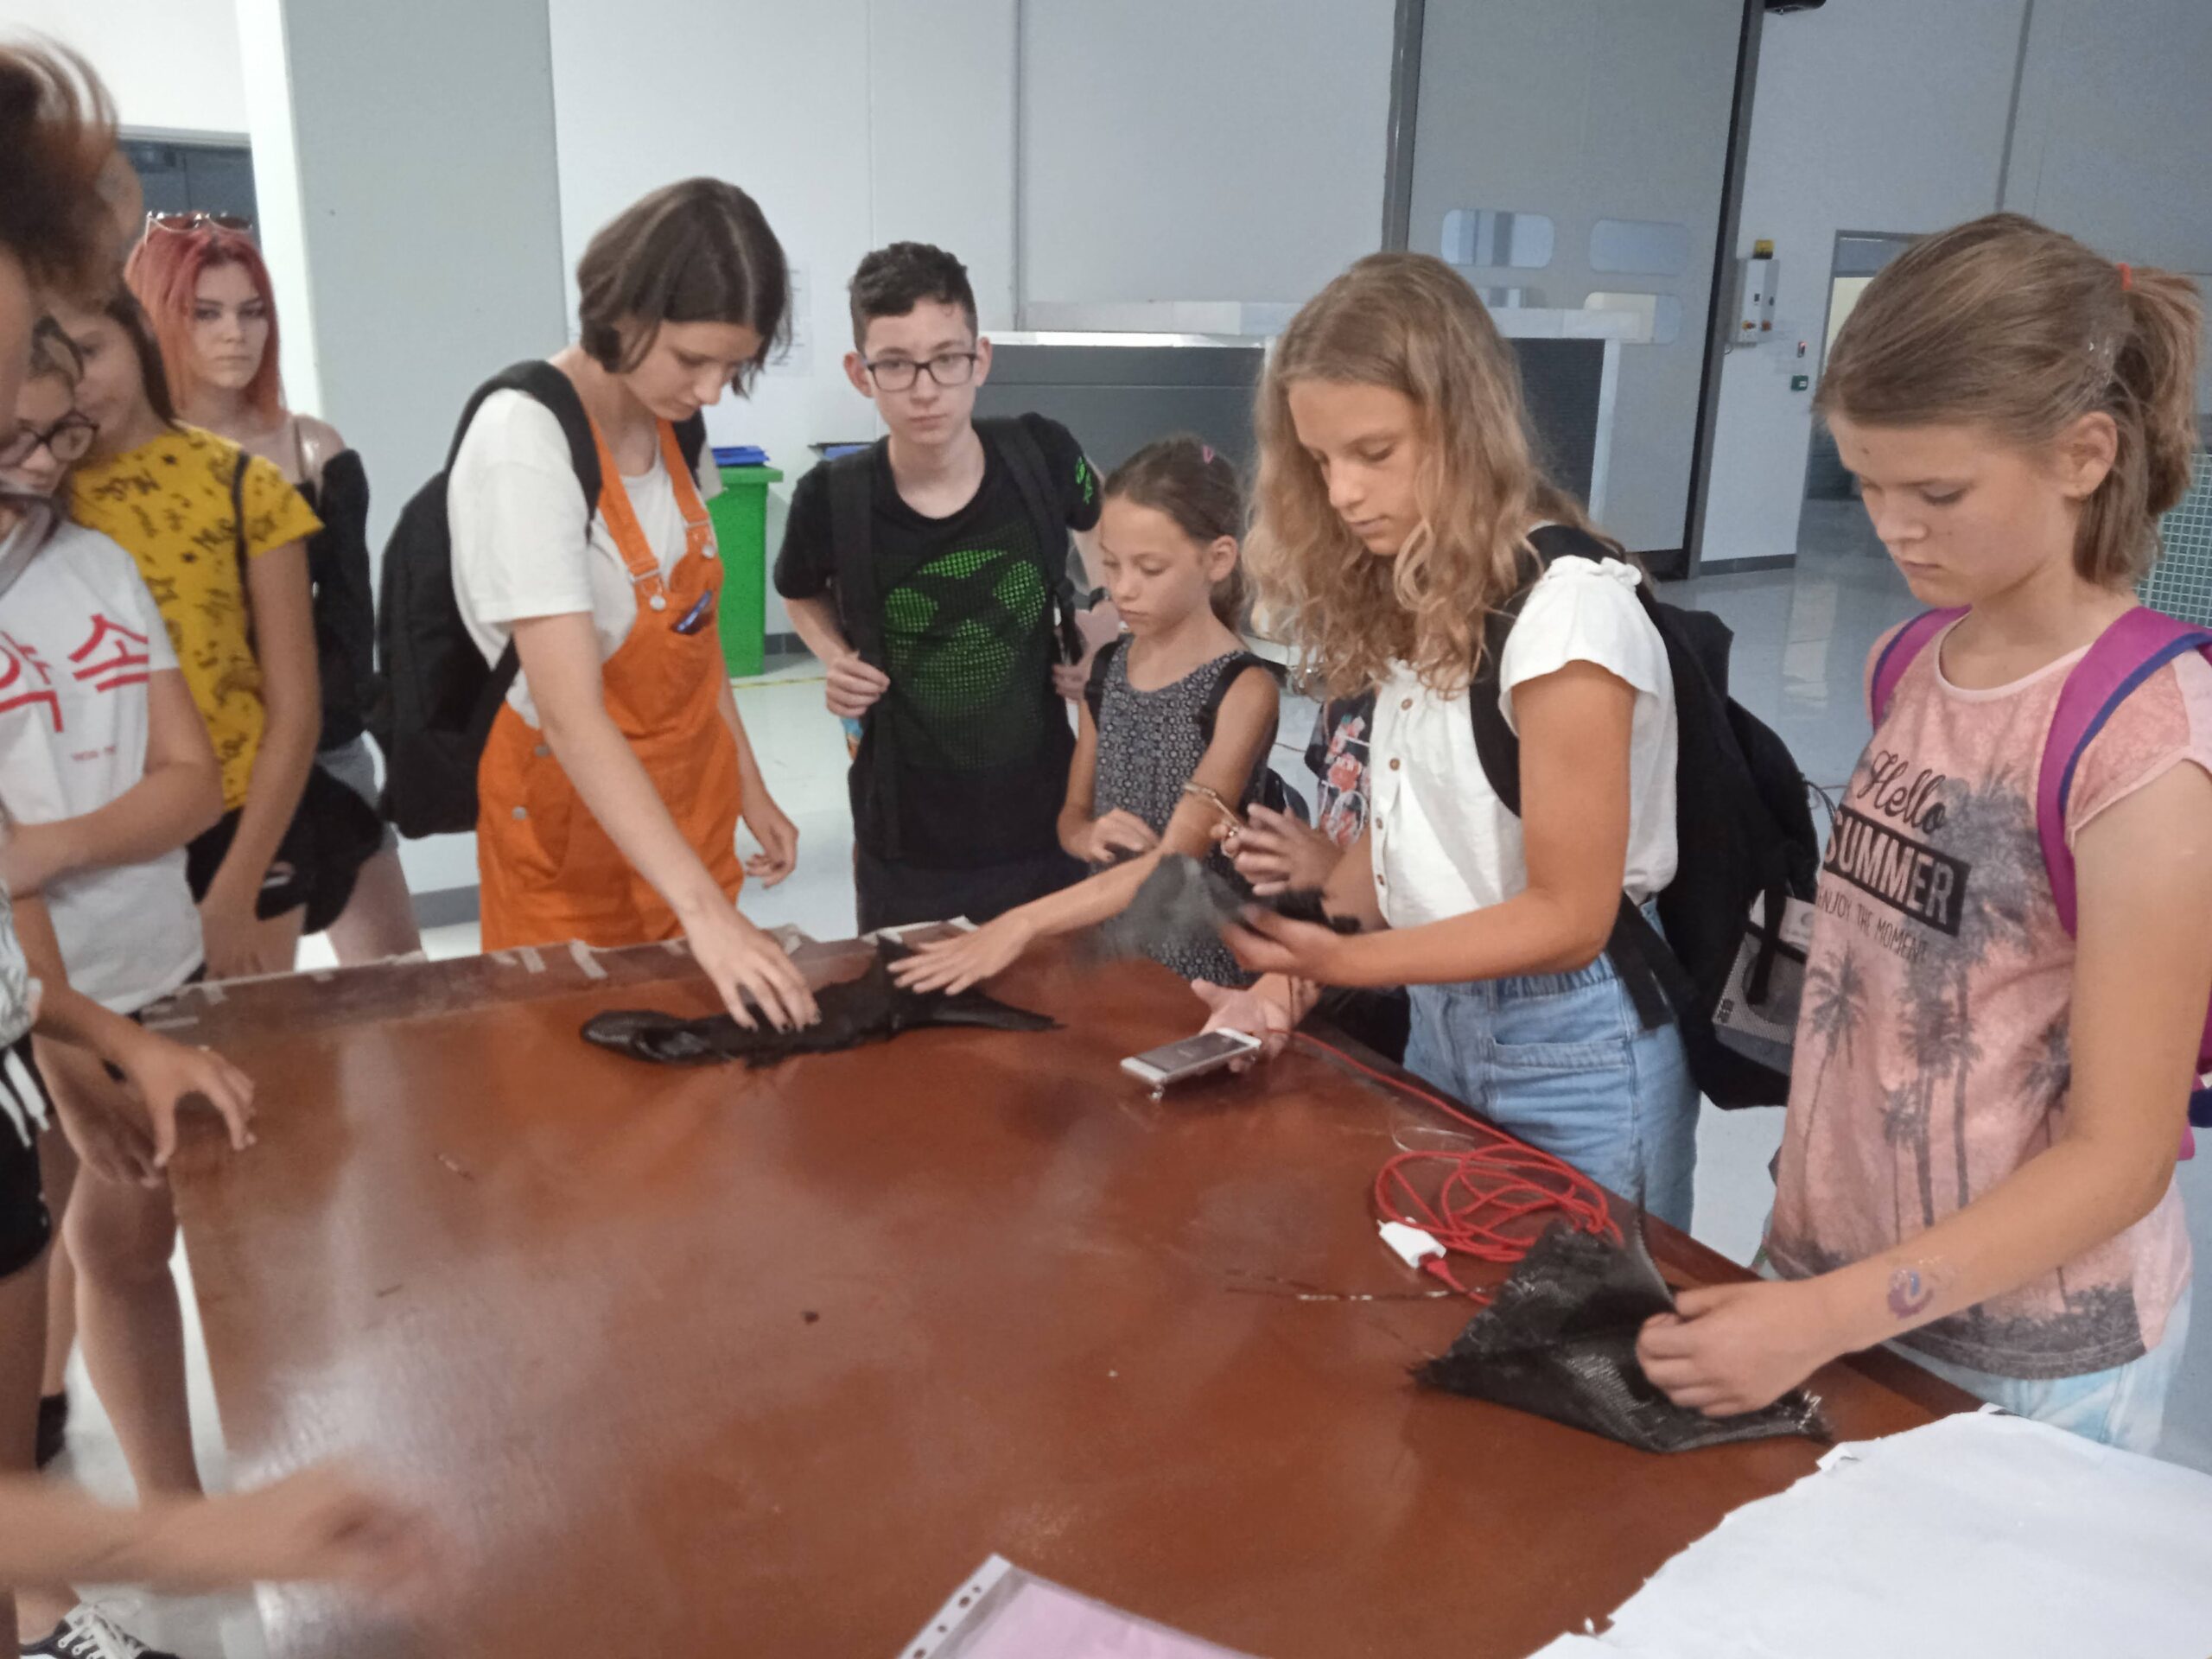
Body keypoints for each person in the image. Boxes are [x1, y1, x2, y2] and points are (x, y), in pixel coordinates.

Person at [1638, 215, 2212, 1452]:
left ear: (2083, 454)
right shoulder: (1912, 659)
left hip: (2020, 1354)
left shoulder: (2149, 748)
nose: (1893, 527)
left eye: (1938, 493)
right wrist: (1809, 1285)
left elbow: (2120, 1159)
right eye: (1867, 483)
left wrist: (1827, 1313)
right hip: (1836, 1284)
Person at [0, 41, 426, 1640]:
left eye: (53, 356)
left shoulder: (112, 551)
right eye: (34, 350)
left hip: (116, 971)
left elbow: (220, 754)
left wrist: (93, 1023)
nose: (48, 405)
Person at [1192, 253, 1700, 1229]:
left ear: (1463, 425)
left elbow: (1569, 916)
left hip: (1574, 1049)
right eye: (1321, 462)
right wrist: (1280, 985)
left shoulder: (1568, 617)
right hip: (1442, 1016)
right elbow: (1406, 845)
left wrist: (1343, 966)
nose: (1344, 492)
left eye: (1374, 452)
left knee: (1590, 1305)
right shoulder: (1425, 589)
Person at [447, 178, 813, 1031]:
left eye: (735, 366)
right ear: (622, 313)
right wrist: (707, 915)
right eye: (693, 360)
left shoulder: (676, 421)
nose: (713, 391)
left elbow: (693, 635)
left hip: (688, 818)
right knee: (574, 1066)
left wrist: (749, 786)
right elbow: (571, 716)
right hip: (572, 839)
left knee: (699, 1068)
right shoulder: (526, 442)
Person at [774, 241, 1109, 935]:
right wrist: (836, 657)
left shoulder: (1041, 454)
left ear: (980, 359)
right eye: (896, 364)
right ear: (860, 373)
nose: (925, 390)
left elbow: (1108, 520)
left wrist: (1103, 622)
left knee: (1055, 993)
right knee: (913, 997)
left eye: (947, 359)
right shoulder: (831, 499)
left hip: (1048, 821)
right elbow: (798, 592)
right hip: (907, 843)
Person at [50, 287, 378, 982]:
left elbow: (295, 709)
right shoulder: (37, 503)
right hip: (96, 836)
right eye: (42, 364)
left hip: (241, 819)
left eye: (89, 351)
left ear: (137, 334)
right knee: (119, 1042)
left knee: (258, 1040)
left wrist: (237, 883)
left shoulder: (243, 484)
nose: (75, 384)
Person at [126, 217, 421, 964]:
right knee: (244, 987)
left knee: (399, 974)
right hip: (199, 758)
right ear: (159, 320)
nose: (236, 333)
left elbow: (351, 619)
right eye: (206, 312)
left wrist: (333, 729)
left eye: (252, 310)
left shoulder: (313, 447)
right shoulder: (133, 470)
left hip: (322, 742)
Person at [894, 437, 1276, 995]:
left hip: (1205, 968)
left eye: (1150, 568)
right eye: (1112, 564)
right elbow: (1072, 818)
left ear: (1218, 559)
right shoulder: (1108, 668)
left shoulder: (1243, 689)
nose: (1123, 589)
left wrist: (1022, 922)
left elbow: (1174, 861)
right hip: (1111, 951)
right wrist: (1088, 834)